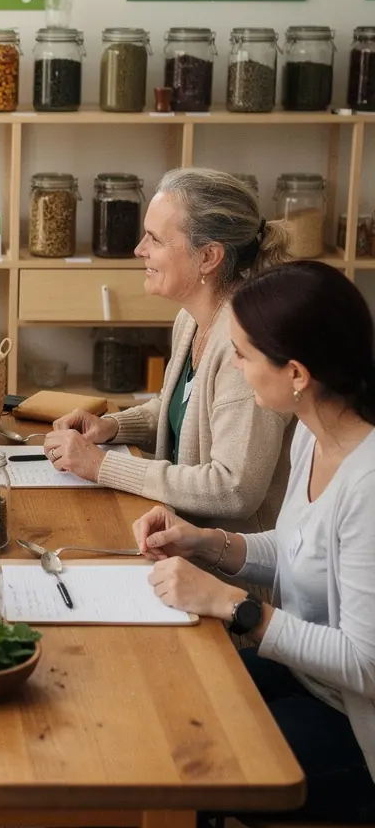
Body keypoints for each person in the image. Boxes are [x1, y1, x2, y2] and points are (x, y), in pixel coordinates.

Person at [133, 261, 375, 823]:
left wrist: (233, 606)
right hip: (305, 678)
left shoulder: (367, 483)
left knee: (181, 764)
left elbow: (364, 665)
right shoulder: (314, 438)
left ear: (295, 372)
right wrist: (202, 542)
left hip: (354, 724)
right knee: (162, 699)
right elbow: (293, 549)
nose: (235, 369)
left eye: (242, 355)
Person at [45, 169, 292, 532]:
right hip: (176, 533)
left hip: (223, 564)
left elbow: (234, 488)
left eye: (155, 239)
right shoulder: (190, 319)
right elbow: (176, 406)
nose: (139, 249)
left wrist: (101, 466)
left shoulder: (246, 344)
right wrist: (112, 426)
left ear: (208, 256)